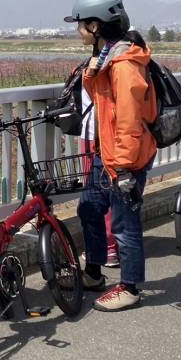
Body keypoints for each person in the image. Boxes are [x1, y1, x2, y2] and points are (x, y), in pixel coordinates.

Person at [64, 0, 156, 311]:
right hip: (108, 151)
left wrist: (126, 167)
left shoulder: (124, 64)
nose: (78, 31)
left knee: (123, 220)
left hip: (125, 155)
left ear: (94, 25)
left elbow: (129, 120)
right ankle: (93, 273)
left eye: (80, 25)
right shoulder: (107, 57)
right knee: (89, 207)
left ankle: (129, 288)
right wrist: (91, 71)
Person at [79, 85, 120, 268]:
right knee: (114, 190)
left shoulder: (99, 67)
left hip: (97, 135)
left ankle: (107, 248)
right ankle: (112, 246)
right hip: (121, 136)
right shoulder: (129, 64)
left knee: (96, 193)